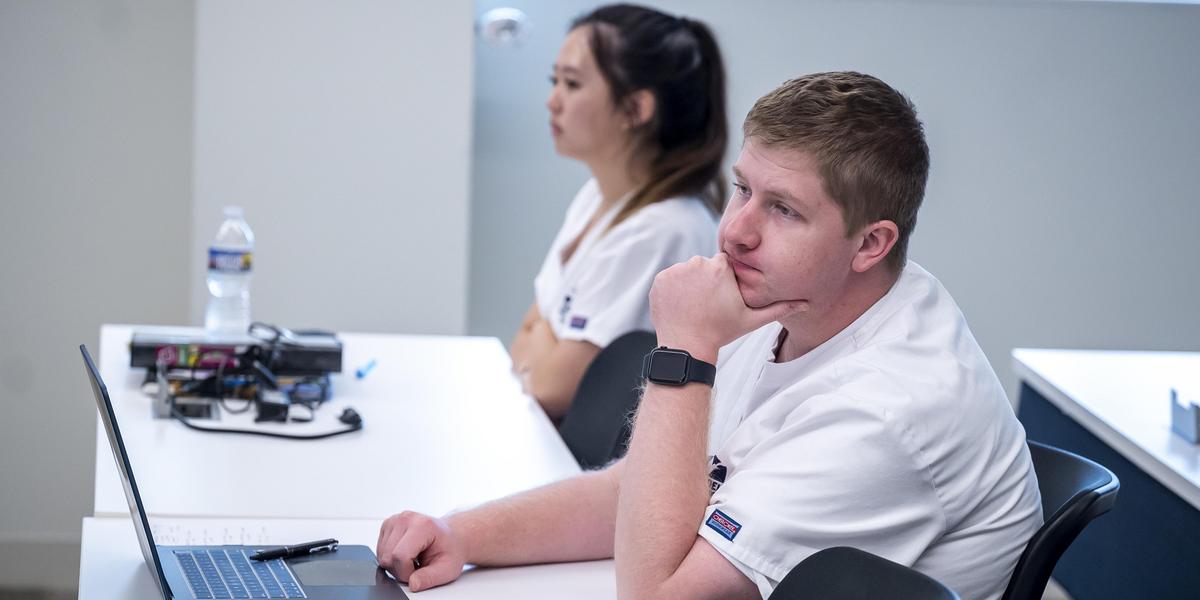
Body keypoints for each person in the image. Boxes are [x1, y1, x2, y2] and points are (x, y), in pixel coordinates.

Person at [378, 72, 1042, 599]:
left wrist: (685, 353)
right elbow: (638, 494)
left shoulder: (892, 409)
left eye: (783, 210)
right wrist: (460, 534)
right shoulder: (797, 300)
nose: (735, 231)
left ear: (871, 244)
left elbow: (655, 596)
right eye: (743, 189)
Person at [508, 4, 727, 420]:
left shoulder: (664, 230)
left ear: (635, 109)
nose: (552, 101)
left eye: (572, 84)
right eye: (554, 81)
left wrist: (543, 333)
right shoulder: (595, 195)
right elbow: (525, 333)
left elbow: (553, 388)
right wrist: (543, 339)